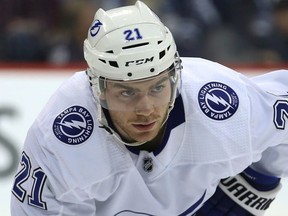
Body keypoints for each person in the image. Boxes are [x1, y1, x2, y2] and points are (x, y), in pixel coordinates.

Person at [10, 1, 288, 215]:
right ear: (97, 89)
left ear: (176, 77)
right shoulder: (62, 138)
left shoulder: (220, 102)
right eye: (126, 92)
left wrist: (248, 194)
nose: (145, 109)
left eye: (156, 88)